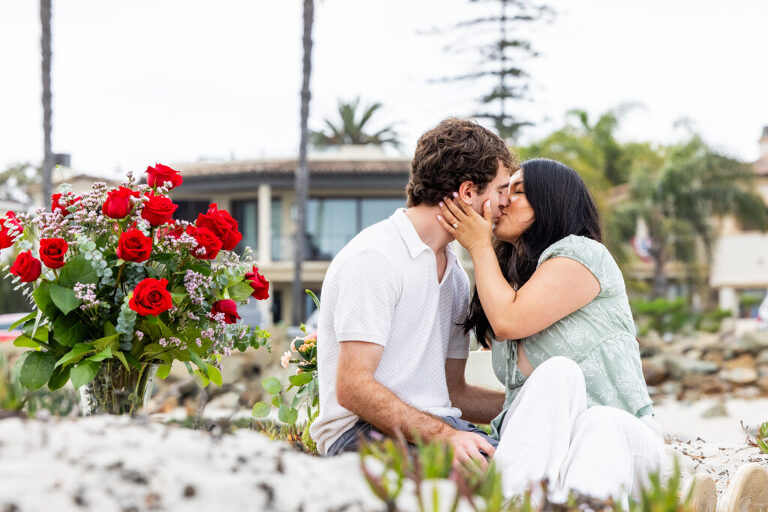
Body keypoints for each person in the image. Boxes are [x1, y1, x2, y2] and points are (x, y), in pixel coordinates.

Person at [436, 158, 664, 505]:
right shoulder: (508, 286)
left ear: (552, 200)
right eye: (504, 191)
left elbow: (508, 321)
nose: (502, 201)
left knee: (589, 411)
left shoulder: (583, 255)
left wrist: (479, 246)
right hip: (548, 464)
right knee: (557, 376)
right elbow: (504, 399)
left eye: (518, 191)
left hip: (620, 445)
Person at [309, 118, 511, 465]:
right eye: (501, 190)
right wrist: (445, 436)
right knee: (499, 476)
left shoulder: (455, 276)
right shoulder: (375, 257)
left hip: (434, 427)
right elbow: (353, 387)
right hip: (359, 434)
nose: (506, 202)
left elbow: (453, 393)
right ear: (468, 192)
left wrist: (527, 405)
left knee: (535, 462)